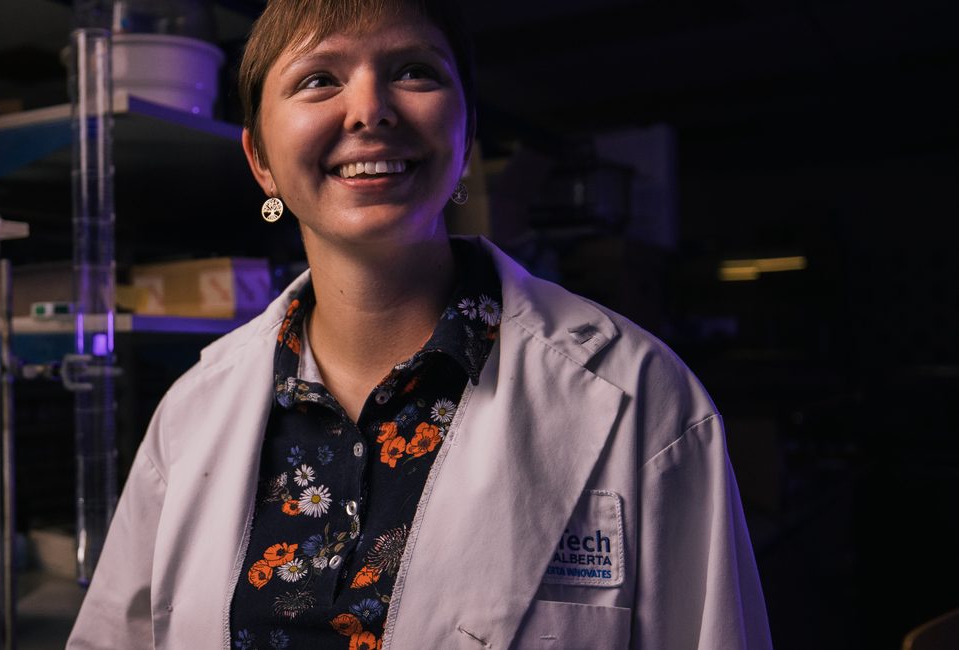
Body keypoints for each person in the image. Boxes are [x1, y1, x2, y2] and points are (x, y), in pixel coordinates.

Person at [68, 0, 772, 647]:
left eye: (412, 71)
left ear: (465, 139)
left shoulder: (641, 396)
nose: (369, 109)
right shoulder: (193, 411)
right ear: (260, 162)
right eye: (317, 80)